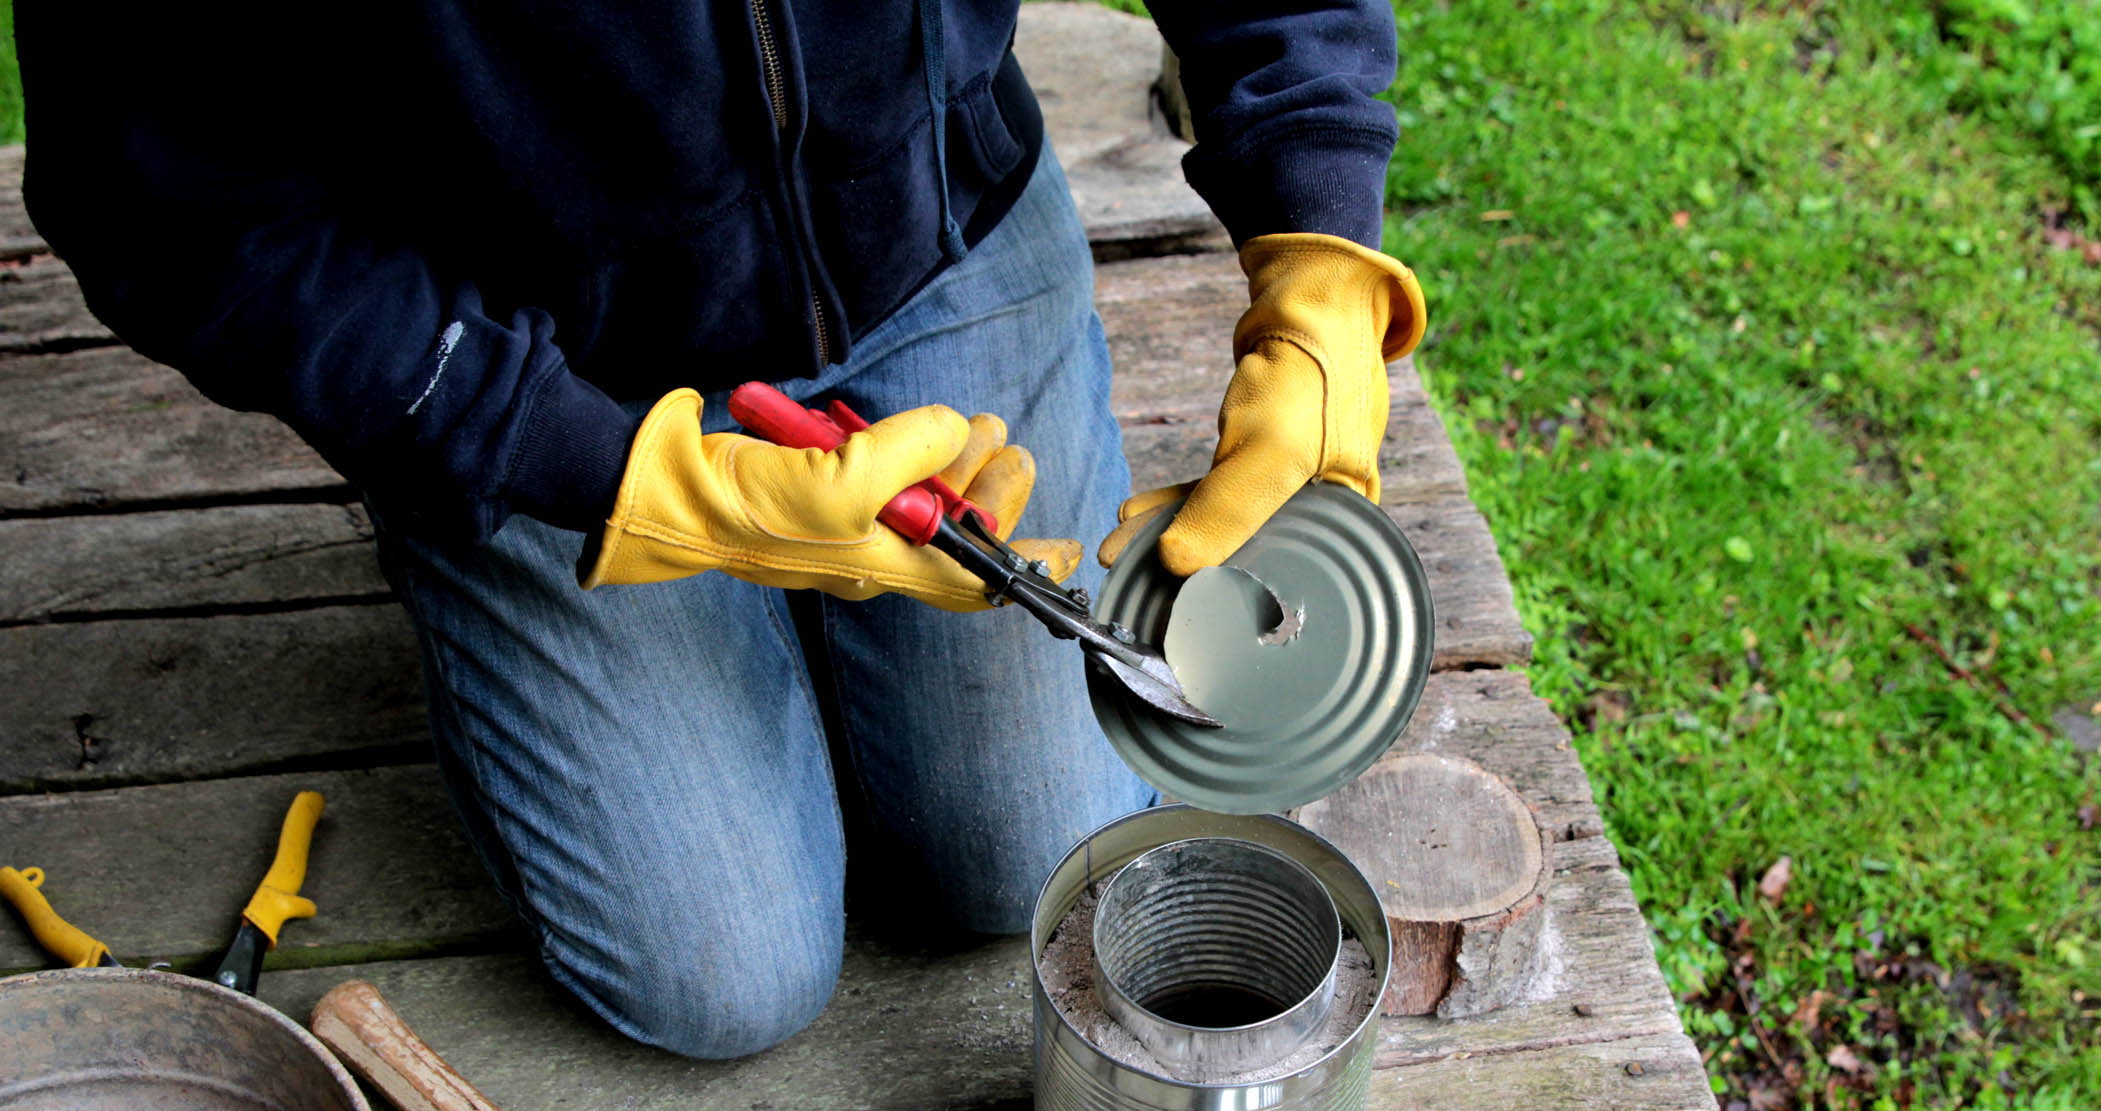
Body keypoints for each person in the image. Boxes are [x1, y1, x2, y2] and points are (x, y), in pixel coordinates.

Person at [18, 2, 1425, 1057]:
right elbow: (168, 204)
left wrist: (1314, 238)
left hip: (936, 226)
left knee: (1024, 864)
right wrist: (573, 456)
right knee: (717, 979)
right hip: (543, 341)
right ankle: (496, 520)